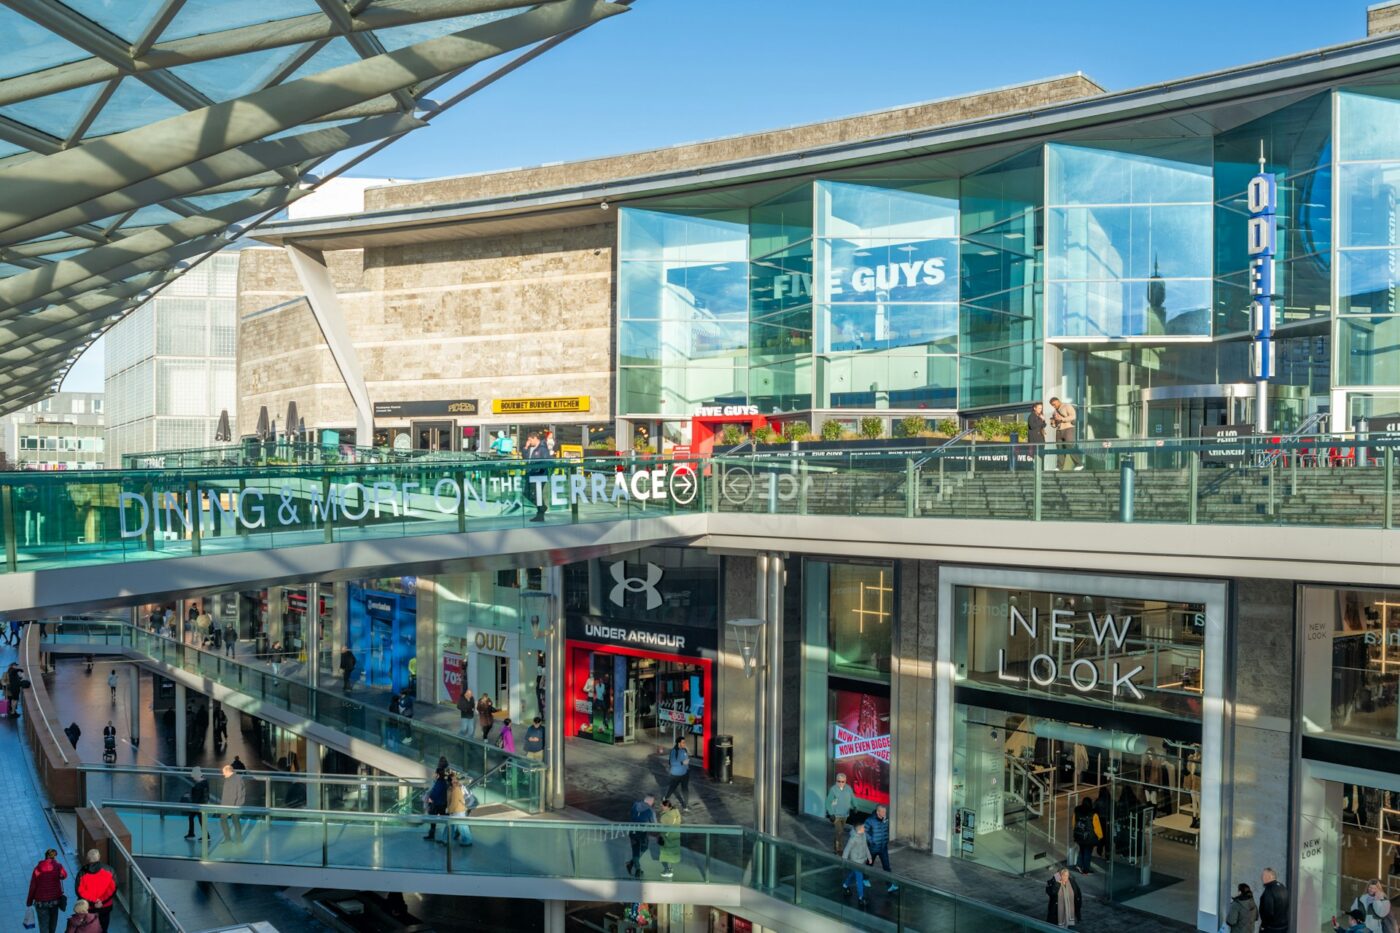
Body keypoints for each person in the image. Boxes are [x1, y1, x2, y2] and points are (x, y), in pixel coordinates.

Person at [27, 848, 68, 933]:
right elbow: (64, 875)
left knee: (43, 927)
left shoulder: (38, 868)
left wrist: (29, 901)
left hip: (41, 903)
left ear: (45, 856)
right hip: (55, 901)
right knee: (52, 926)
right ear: (54, 857)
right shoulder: (58, 866)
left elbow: (33, 886)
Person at [74, 851, 116, 933]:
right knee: (104, 928)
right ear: (99, 857)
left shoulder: (82, 872)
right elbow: (113, 888)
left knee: (88, 929)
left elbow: (79, 891)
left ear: (87, 859)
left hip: (88, 908)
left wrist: (93, 901)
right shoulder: (109, 870)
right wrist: (101, 901)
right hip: (105, 906)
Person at [841, 820, 872, 909]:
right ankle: (861, 897)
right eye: (863, 827)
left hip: (862, 860)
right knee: (859, 878)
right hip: (855, 862)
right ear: (859, 829)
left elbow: (866, 847)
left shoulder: (863, 835)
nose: (864, 828)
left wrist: (869, 857)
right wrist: (844, 860)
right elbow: (847, 850)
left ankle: (845, 885)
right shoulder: (853, 839)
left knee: (853, 874)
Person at [625, 793, 657, 878]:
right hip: (643, 833)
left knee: (635, 849)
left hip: (632, 830)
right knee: (644, 847)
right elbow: (654, 824)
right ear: (650, 801)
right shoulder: (651, 810)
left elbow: (631, 814)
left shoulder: (635, 804)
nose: (653, 803)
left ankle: (633, 864)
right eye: (653, 801)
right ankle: (636, 868)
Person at [866, 804, 897, 892]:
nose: (884, 813)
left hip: (883, 847)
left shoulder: (885, 820)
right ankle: (864, 878)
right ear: (877, 812)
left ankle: (890, 885)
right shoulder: (870, 820)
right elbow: (865, 831)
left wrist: (886, 840)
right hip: (874, 847)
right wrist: (871, 841)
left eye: (885, 811)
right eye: (882, 811)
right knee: (869, 864)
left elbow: (885, 831)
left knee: (886, 866)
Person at [826, 771, 855, 854]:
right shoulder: (833, 790)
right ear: (836, 781)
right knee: (839, 832)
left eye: (843, 781)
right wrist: (831, 814)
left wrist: (855, 806)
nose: (841, 783)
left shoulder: (848, 788)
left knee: (840, 832)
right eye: (839, 781)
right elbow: (828, 802)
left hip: (845, 814)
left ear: (845, 781)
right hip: (836, 815)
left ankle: (836, 847)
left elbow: (853, 798)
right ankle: (838, 850)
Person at [524, 430, 551, 522]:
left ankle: (540, 514)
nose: (529, 442)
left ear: (535, 438)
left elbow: (547, 461)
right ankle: (542, 508)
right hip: (531, 474)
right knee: (526, 493)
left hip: (539, 475)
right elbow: (525, 459)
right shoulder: (530, 448)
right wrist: (526, 447)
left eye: (530, 440)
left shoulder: (542, 448)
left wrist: (538, 470)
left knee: (537, 495)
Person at [1050, 396, 1082, 471]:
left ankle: (1079, 464)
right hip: (1059, 430)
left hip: (1068, 429)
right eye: (1052, 405)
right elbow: (1054, 424)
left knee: (1069, 446)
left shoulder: (1067, 406)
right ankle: (1059, 467)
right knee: (1059, 448)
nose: (1053, 406)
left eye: (1054, 404)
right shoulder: (1055, 411)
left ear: (1058, 401)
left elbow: (1073, 416)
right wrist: (1053, 423)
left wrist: (1062, 419)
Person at [445, 771, 474, 847]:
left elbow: (455, 800)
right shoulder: (452, 788)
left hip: (457, 809)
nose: (454, 781)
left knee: (460, 825)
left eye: (455, 779)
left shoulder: (456, 788)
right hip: (457, 809)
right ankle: (447, 839)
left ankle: (466, 841)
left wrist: (449, 810)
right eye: (452, 779)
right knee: (458, 825)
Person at [219, 763, 246, 844]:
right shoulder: (237, 778)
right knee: (236, 821)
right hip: (237, 805)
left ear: (228, 771)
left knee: (223, 820)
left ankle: (228, 839)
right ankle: (239, 839)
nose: (223, 774)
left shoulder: (232, 780)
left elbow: (232, 795)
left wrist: (229, 809)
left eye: (223, 772)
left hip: (231, 806)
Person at [663, 737, 691, 810]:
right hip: (676, 774)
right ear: (679, 743)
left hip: (685, 774)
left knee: (685, 789)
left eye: (685, 742)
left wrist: (687, 768)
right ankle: (666, 798)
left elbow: (686, 759)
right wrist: (682, 763)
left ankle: (685, 805)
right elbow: (672, 763)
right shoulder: (674, 751)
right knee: (672, 788)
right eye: (683, 742)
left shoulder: (684, 749)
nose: (684, 744)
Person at [423, 765, 449, 842]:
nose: (434, 774)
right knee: (443, 817)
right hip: (441, 803)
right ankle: (433, 835)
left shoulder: (439, 783)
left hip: (437, 804)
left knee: (433, 819)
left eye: (435, 773)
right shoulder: (442, 782)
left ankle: (432, 835)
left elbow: (435, 793)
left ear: (438, 774)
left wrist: (429, 798)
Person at [1260, 868, 1289, 933]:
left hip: (1272, 928)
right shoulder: (1282, 886)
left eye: (1264, 875)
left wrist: (1263, 926)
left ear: (1270, 876)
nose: (1262, 877)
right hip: (1283, 926)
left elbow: (1268, 911)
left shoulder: (1269, 889)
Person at [1072, 797, 1097, 874]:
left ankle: (1079, 864)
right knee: (1087, 853)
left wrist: (1077, 831)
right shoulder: (1093, 813)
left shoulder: (1077, 810)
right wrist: (1100, 836)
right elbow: (1097, 827)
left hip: (1079, 836)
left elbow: (1073, 823)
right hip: (1089, 837)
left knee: (1082, 850)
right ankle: (1086, 869)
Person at [658, 798, 682, 879]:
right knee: (671, 853)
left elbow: (664, 827)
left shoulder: (666, 816)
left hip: (667, 837)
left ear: (666, 807)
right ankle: (670, 868)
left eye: (662, 806)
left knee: (667, 854)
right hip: (675, 836)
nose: (661, 807)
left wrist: (661, 836)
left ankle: (668, 871)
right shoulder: (675, 812)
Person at [185, 767, 211, 841]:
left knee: (197, 819)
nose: (193, 777)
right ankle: (192, 833)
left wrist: (190, 805)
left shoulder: (198, 786)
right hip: (203, 803)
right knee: (195, 818)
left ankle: (203, 835)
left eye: (193, 776)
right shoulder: (205, 782)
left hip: (198, 806)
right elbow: (206, 794)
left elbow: (195, 799)